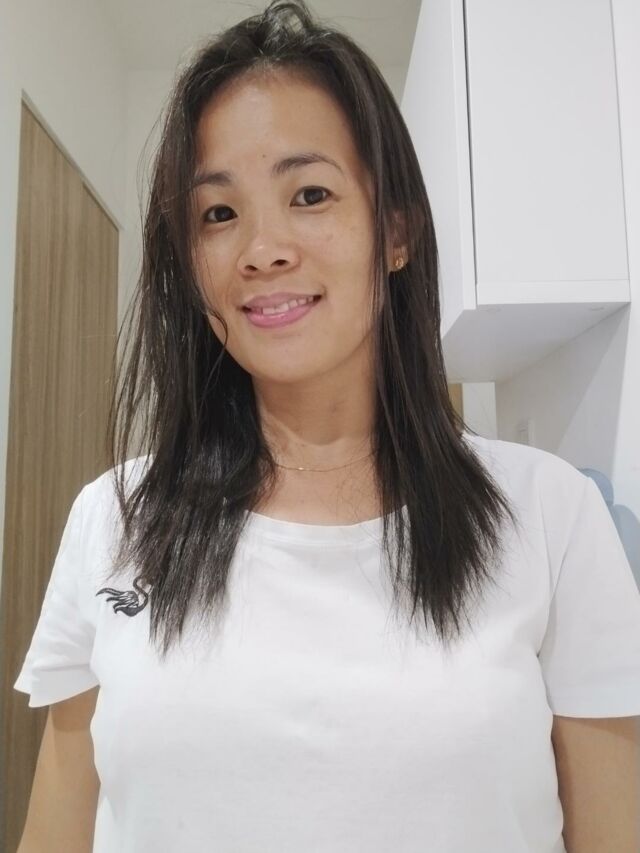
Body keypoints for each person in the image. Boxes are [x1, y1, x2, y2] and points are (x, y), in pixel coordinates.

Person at [14, 1, 640, 851]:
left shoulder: (551, 514)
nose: (262, 249)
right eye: (218, 214)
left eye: (309, 194)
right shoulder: (115, 517)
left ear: (395, 231)